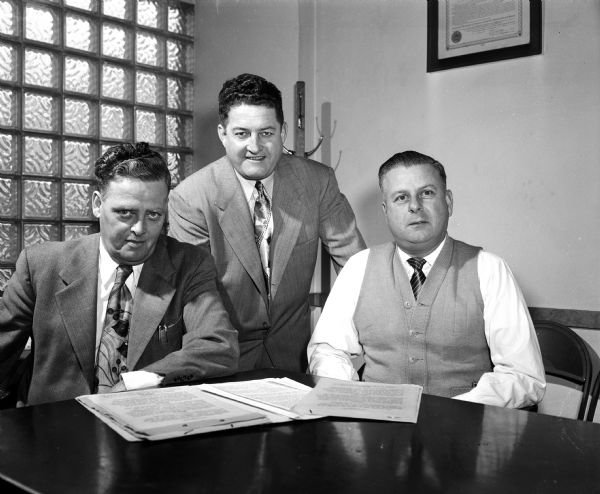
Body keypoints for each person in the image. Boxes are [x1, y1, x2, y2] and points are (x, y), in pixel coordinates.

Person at [0, 142, 239, 405]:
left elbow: (218, 346)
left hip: (145, 428)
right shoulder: (40, 265)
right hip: (53, 428)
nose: (140, 228)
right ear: (96, 204)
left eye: (153, 215)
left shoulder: (190, 264)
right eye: (125, 213)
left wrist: (135, 383)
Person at [307, 150, 545, 408]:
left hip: (465, 429)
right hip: (378, 431)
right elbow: (327, 349)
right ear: (385, 211)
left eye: (427, 193)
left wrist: (453, 410)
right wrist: (354, 397)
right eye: (401, 197)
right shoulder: (358, 267)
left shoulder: (489, 270)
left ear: (449, 202)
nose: (415, 206)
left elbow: (523, 376)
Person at [168, 73, 365, 372]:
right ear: (223, 133)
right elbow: (197, 296)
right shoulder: (190, 198)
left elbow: (357, 268)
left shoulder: (317, 181)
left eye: (266, 133)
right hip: (222, 361)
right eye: (241, 133)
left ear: (283, 131)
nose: (255, 147)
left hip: (295, 357)